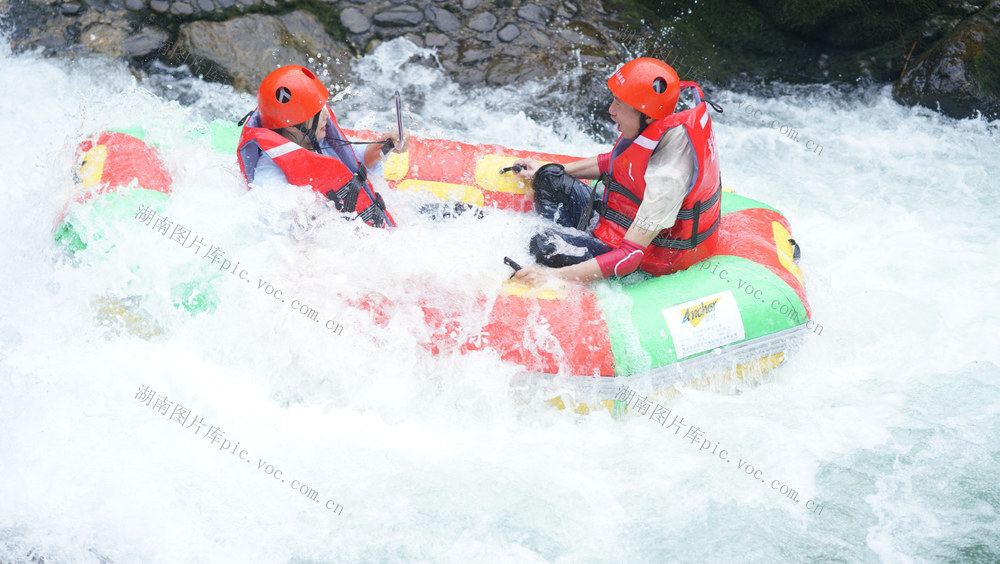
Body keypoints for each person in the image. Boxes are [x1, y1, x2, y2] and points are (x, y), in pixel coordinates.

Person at [511, 57, 722, 286]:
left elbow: (630, 256)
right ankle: (568, 238)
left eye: (619, 105)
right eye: (614, 100)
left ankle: (558, 252)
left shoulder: (668, 177)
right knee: (550, 177)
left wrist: (553, 277)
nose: (611, 111)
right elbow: (617, 163)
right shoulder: (659, 124)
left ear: (647, 115)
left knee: (544, 245)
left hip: (643, 253)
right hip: (618, 222)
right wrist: (547, 169)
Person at [237, 65, 408, 228]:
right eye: (317, 111)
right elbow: (273, 230)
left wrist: (388, 144)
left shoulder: (320, 140)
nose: (327, 114)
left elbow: (359, 159)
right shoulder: (270, 175)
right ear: (291, 125)